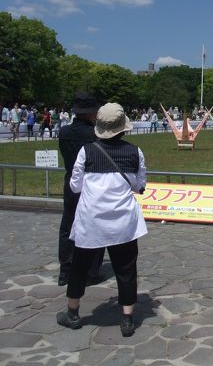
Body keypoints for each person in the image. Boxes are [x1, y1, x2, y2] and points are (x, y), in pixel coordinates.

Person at [56, 102, 147, 337]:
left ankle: (73, 312)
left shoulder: (87, 151)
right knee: (126, 269)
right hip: (123, 221)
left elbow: (75, 185)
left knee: (79, 267)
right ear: (123, 127)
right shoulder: (134, 152)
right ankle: (127, 318)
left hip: (91, 220)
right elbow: (139, 186)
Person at [57, 92, 104, 286]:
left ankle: (65, 271)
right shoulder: (95, 135)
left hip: (71, 182)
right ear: (92, 112)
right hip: (92, 184)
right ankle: (91, 272)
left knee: (68, 225)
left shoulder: (65, 132)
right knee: (95, 226)